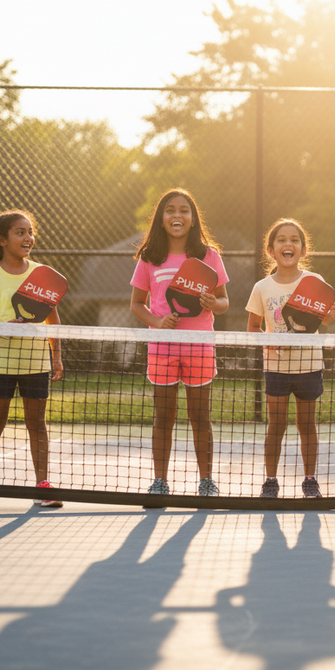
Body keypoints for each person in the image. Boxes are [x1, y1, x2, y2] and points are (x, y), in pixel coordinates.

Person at [0, 210, 64, 509]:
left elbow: (54, 321)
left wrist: (56, 356)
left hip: (35, 363)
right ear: (1, 240)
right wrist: (1, 328)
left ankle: (43, 485)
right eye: (20, 232)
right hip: (0, 363)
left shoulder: (42, 274)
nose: (28, 237)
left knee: (38, 425)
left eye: (30, 231)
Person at [130, 188, 229, 497]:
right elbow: (136, 304)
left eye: (184, 210)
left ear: (193, 218)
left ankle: (206, 481)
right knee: (164, 416)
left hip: (199, 345)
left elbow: (225, 302)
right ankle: (160, 482)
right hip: (162, 346)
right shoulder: (149, 257)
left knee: (200, 416)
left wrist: (213, 302)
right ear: (161, 218)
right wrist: (158, 323)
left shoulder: (208, 254)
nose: (177, 215)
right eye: (170, 209)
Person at [247, 219, 335, 499]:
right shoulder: (262, 288)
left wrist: (331, 315)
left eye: (294, 240)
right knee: (275, 426)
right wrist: (269, 343)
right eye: (281, 239)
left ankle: (310, 480)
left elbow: (322, 319)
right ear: (270, 250)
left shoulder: (315, 283)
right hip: (276, 368)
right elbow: (253, 328)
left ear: (303, 249)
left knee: (306, 425)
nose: (288, 244)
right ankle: (270, 480)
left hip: (309, 366)